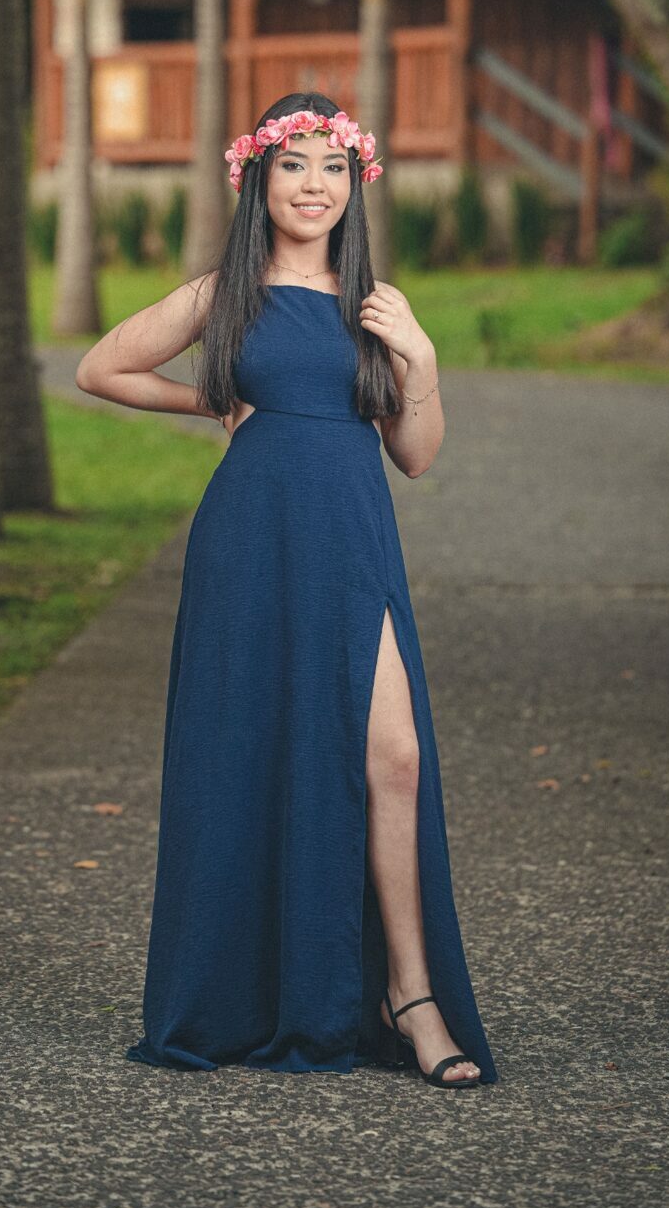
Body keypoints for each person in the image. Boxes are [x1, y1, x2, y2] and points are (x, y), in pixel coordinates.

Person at [75, 91, 498, 1088]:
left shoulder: (374, 303)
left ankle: (409, 995)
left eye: (332, 167)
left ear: (355, 182)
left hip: (352, 539)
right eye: (294, 166)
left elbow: (415, 455)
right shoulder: (223, 294)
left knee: (394, 756)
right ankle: (252, 995)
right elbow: (100, 368)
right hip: (251, 543)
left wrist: (421, 358)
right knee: (251, 753)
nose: (314, 186)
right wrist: (213, 398)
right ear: (257, 180)